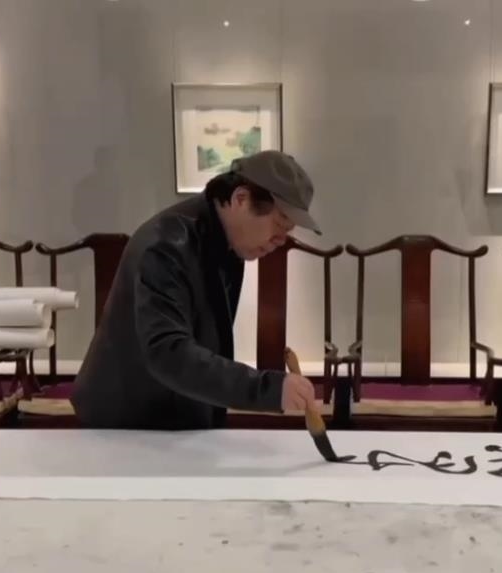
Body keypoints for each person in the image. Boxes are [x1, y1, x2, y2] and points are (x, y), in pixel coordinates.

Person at [70, 150, 321, 430]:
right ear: (241, 199)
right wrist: (267, 389)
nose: (281, 240)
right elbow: (168, 353)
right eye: (279, 224)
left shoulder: (227, 242)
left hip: (171, 418)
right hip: (126, 423)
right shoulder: (166, 244)